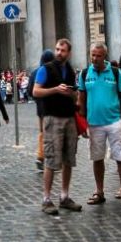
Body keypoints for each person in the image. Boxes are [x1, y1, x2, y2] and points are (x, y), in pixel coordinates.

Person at [77, 43, 121, 209]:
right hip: (94, 123)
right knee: (97, 158)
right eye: (92, 55)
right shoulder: (85, 73)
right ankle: (99, 192)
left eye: (98, 56)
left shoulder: (115, 73)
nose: (95, 59)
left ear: (105, 56)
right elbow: (81, 98)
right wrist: (82, 123)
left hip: (114, 122)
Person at [33, 40, 81, 215]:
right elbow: (36, 91)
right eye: (57, 49)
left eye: (63, 50)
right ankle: (46, 199)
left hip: (69, 118)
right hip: (52, 118)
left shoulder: (70, 70)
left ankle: (64, 196)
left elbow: (75, 94)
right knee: (51, 159)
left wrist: (72, 94)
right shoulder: (45, 69)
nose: (59, 52)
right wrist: (55, 90)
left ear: (69, 53)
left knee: (69, 159)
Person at [31, 49, 56, 171]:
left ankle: (40, 156)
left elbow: (30, 91)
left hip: (40, 108)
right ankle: (51, 159)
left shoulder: (35, 72)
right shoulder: (54, 71)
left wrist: (37, 99)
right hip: (52, 107)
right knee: (52, 133)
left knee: (43, 132)